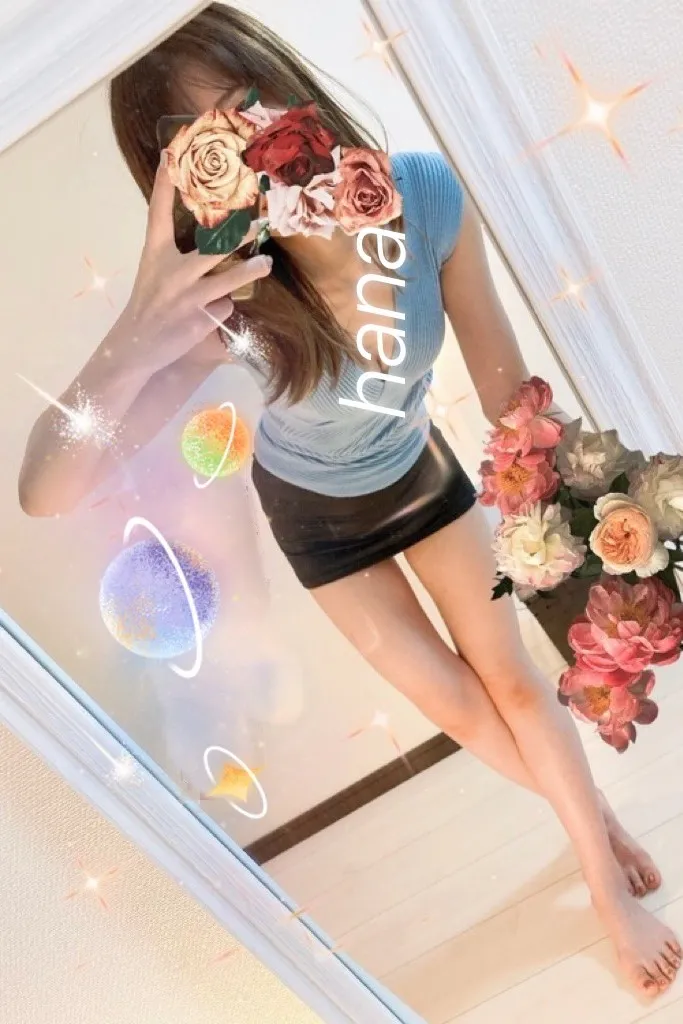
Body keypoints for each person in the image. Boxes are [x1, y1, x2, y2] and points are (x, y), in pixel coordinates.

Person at [17, 2, 680, 996]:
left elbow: (507, 398)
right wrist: (137, 325)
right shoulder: (223, 298)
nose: (260, 147)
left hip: (417, 472)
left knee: (508, 680)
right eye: (212, 145)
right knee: (455, 703)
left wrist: (603, 516)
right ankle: (594, 818)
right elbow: (44, 490)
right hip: (315, 517)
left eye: (251, 103)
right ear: (185, 184)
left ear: (286, 83)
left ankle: (599, 878)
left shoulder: (423, 198)